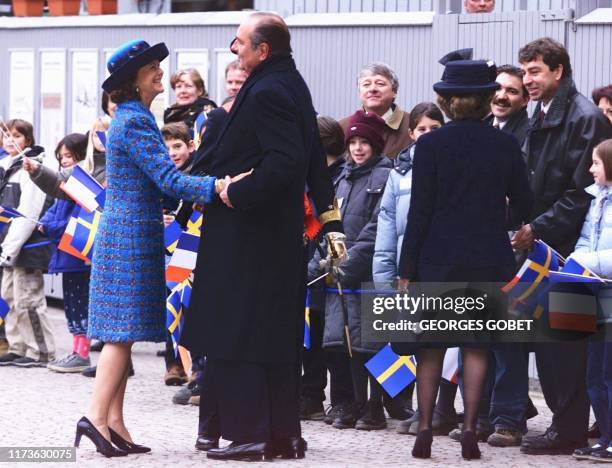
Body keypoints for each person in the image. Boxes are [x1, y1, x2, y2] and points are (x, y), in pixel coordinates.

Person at [181, 13, 343, 462]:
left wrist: (234, 190)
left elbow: (288, 161)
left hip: (249, 234)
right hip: (269, 236)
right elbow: (309, 159)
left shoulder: (270, 89)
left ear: (262, 50)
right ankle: (278, 435)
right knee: (268, 335)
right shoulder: (289, 82)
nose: (234, 49)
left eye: (239, 42)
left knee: (240, 333)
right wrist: (328, 220)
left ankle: (249, 435)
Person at [69, 39, 223, 458]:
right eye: (152, 67)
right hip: (130, 235)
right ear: (132, 80)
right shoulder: (136, 121)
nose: (160, 73)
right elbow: (169, 180)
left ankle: (114, 421)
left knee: (124, 333)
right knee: (120, 335)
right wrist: (219, 187)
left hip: (127, 231)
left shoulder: (131, 117)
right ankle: (96, 418)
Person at [397, 57, 532, 460]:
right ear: (488, 97)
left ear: (445, 100)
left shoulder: (431, 144)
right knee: (476, 347)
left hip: (437, 258)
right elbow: (524, 203)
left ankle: (424, 429)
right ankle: (471, 428)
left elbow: (418, 211)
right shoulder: (506, 144)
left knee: (432, 347)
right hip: (488, 257)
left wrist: (406, 269)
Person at [512, 37, 612, 456]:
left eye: (535, 71)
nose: (527, 80)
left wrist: (537, 228)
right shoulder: (540, 112)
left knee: (566, 346)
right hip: (548, 244)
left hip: (571, 251)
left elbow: (581, 191)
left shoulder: (584, 117)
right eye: (525, 71)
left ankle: (569, 429)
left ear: (558, 70)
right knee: (551, 342)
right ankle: (564, 424)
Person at [308, 110, 392, 431]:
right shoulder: (342, 179)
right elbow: (329, 223)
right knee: (339, 344)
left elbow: (377, 227)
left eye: (364, 142)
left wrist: (349, 262)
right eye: (353, 142)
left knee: (370, 345)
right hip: (337, 274)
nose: (357, 148)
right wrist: (323, 261)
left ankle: (375, 406)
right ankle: (347, 403)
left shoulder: (385, 178)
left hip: (366, 274)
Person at [373, 102, 446, 435]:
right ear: (412, 133)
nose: (428, 135)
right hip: (409, 269)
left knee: (448, 342)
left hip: (443, 267)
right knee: (416, 341)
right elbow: (386, 227)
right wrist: (385, 277)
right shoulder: (398, 173)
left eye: (435, 128)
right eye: (422, 129)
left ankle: (445, 409)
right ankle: (422, 410)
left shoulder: (453, 168)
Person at [300, 115, 350, 422]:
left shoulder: (342, 176)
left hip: (331, 263)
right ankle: (310, 395)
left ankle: (343, 399)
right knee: (310, 332)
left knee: (333, 339)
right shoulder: (305, 175)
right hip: (307, 264)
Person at [569, 138, 612, 462]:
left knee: (609, 374)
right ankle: (605, 438)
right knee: (593, 374)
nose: (590, 168)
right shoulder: (596, 200)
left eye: (596, 163)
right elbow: (586, 237)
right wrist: (577, 258)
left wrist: (590, 261)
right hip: (592, 293)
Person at [0, 119, 54, 368]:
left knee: (29, 299)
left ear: (28, 141)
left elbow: (27, 214)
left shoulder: (31, 169)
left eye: (17, 136)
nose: (10, 140)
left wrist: (10, 248)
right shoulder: (7, 167)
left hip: (27, 246)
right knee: (9, 297)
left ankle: (41, 351)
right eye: (7, 135)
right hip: (8, 246)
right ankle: (17, 346)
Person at [38, 133, 93, 373]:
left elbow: (76, 221)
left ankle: (82, 353)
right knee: (71, 302)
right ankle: (75, 349)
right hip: (66, 254)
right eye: (61, 158)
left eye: (69, 156)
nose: (64, 162)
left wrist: (48, 226)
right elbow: (54, 209)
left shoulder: (82, 185)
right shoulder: (64, 184)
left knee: (80, 302)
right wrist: (43, 221)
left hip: (78, 254)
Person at [338, 63, 412, 158]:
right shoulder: (341, 127)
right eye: (366, 84)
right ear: (359, 92)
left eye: (380, 84)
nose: (372, 89)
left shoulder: (412, 125)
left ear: (394, 91)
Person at [163, 68, 217, 148]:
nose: (183, 91)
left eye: (188, 86)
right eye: (178, 87)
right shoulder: (170, 114)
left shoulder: (207, 113)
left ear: (199, 91)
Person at [488, 64, 530, 144]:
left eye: (512, 91)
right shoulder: (480, 128)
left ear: (525, 100)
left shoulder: (531, 137)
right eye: (497, 88)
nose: (501, 97)